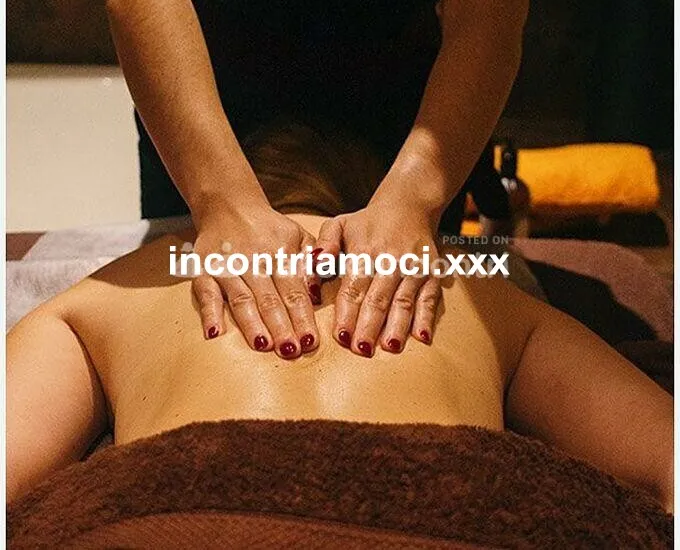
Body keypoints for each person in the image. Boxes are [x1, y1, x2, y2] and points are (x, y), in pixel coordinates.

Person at [7, 124, 672, 513]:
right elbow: (666, 460)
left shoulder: (119, 289)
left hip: (183, 517)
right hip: (444, 518)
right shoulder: (477, 288)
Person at [104, 0, 531, 356]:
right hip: (203, 90)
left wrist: (415, 198)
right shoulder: (511, 316)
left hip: (405, 98)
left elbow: (486, 10)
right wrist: (218, 198)